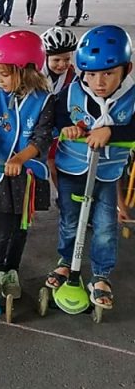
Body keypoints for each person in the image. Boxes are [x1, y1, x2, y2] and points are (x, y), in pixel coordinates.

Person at [47, 26, 135, 310]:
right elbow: (55, 119)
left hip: (108, 174)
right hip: (72, 170)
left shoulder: (131, 97)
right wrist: (67, 128)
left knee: (105, 226)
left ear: (126, 69)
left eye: (108, 74)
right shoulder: (72, 92)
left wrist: (111, 132)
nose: (99, 82)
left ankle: (101, 274)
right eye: (92, 74)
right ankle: (66, 261)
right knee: (70, 220)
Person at [0, 31, 55, 298]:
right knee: (3, 227)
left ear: (26, 71)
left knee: (21, 227)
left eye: (4, 74)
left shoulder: (45, 101)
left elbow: (42, 137)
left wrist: (20, 159)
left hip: (27, 175)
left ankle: (10, 270)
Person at [40, 26, 79, 188]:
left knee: (55, 163)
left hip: (59, 126)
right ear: (45, 57)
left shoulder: (74, 77)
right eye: (56, 60)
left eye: (67, 59)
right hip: (36, 125)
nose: (62, 64)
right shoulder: (34, 75)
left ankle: (62, 197)